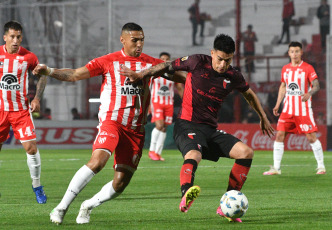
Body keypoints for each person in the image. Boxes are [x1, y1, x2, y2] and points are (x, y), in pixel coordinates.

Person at [33, 22, 185, 225]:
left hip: (136, 130)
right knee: (98, 161)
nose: (139, 44)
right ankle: (61, 207)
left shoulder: (151, 64)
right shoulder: (107, 61)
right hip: (112, 122)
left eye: (142, 40)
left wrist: (193, 74)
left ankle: (88, 205)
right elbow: (76, 74)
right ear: (122, 40)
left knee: (121, 183)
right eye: (135, 40)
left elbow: (179, 75)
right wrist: (50, 71)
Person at [120, 34, 275, 222]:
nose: (222, 65)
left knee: (246, 152)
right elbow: (166, 66)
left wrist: (263, 117)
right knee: (194, 155)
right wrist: (140, 74)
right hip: (186, 125)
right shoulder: (197, 62)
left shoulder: (233, 76)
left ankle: (226, 203)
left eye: (227, 60)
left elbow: (249, 94)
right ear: (212, 54)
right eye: (219, 59)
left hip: (209, 130)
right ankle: (186, 194)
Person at [0, 21, 47, 204]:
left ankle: (37, 186)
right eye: (12, 36)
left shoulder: (29, 57)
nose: (15, 40)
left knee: (31, 148)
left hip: (21, 111)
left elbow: (42, 75)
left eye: (18, 37)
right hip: (1, 110)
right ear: (5, 37)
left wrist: (36, 98)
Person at [263, 41, 326, 176]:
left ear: (301, 52)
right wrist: (277, 103)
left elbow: (316, 85)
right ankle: (276, 168)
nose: (295, 54)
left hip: (303, 109)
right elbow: (283, 86)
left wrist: (309, 93)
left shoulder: (308, 68)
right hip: (288, 109)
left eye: (297, 51)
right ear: (289, 53)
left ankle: (321, 166)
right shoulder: (285, 69)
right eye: (292, 51)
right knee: (279, 135)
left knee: (311, 137)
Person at [148, 52, 184, 161]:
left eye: (166, 59)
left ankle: (158, 153)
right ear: (158, 60)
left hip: (168, 104)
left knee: (164, 128)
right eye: (162, 58)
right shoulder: (154, 72)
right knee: (159, 125)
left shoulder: (173, 73)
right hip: (156, 102)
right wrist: (148, 104)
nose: (164, 60)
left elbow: (179, 88)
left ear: (169, 60)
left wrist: (185, 102)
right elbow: (148, 87)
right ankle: (151, 150)